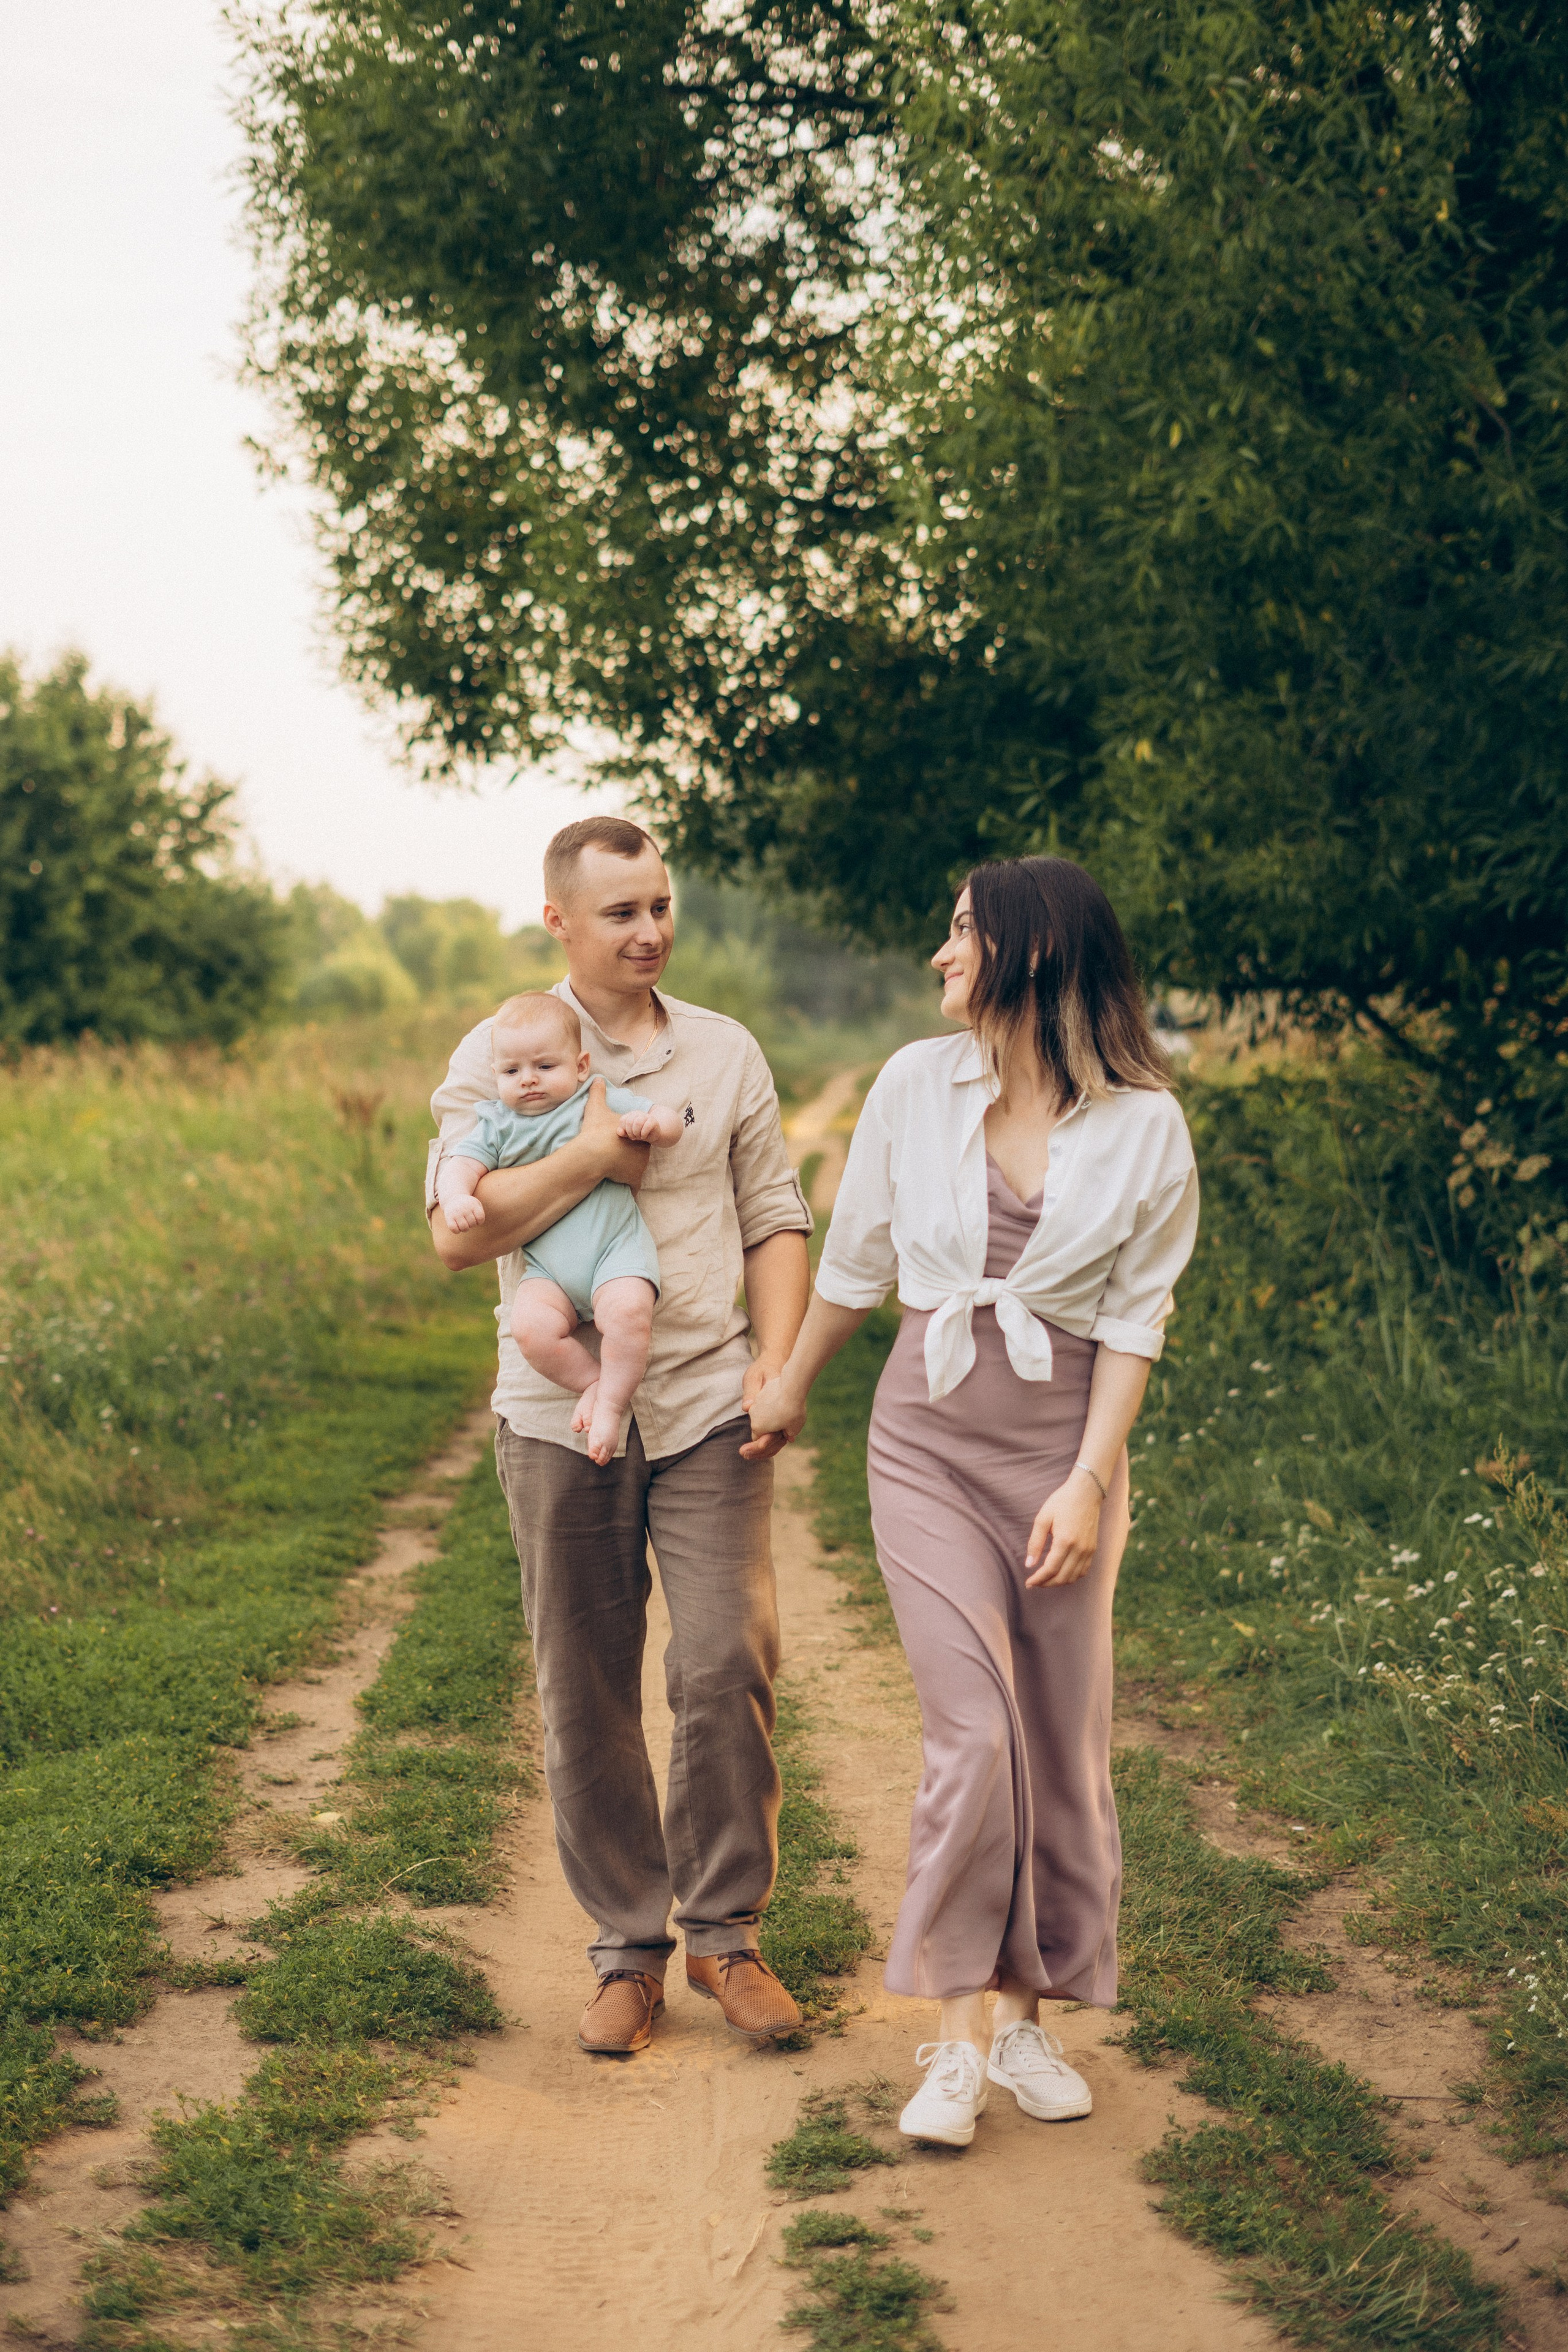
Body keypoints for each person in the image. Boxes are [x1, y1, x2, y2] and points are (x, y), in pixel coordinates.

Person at [748, 856, 1198, 2146]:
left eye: (960, 935)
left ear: (1029, 955)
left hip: (1062, 1459)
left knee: (1056, 1740)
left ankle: (1024, 2023)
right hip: (927, 1446)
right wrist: (783, 1386)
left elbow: (1132, 1321)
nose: (940, 957)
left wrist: (1084, 1481)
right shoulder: (908, 1084)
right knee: (973, 1733)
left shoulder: (1143, 1126)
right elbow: (856, 1262)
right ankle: (951, 2038)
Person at [426, 817, 813, 2057]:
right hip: (559, 1417)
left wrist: (780, 1359)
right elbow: (459, 1231)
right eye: (618, 913)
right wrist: (594, 1153)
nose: (647, 931)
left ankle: (726, 1939)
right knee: (582, 1684)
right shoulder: (500, 1052)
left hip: (705, 1398)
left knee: (721, 1660)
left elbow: (774, 1215)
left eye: (659, 906)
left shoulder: (725, 1050)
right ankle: (626, 1953)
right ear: (559, 922)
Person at [434, 990, 685, 1464]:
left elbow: (666, 1119)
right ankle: (593, 1381)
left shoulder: (597, 1098)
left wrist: (653, 1127)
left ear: (581, 1066)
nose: (528, 1081)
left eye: (544, 1067)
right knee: (531, 1329)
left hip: (616, 1252)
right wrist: (457, 1197)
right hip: (548, 1272)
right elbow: (459, 1164)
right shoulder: (498, 1124)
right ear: (496, 1076)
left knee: (629, 1315)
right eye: (512, 1072)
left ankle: (610, 1406)